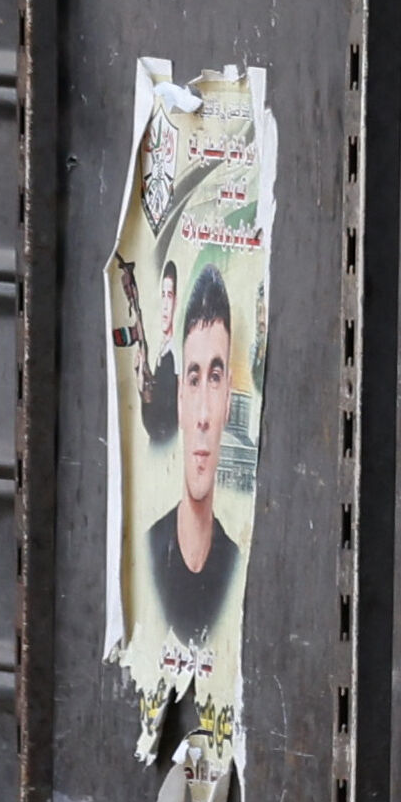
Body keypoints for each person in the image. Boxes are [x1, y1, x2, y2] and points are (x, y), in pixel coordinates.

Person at [145, 274, 248, 662]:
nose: (203, 414)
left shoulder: (237, 566)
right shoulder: (147, 554)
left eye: (215, 378)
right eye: (193, 378)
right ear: (179, 400)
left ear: (228, 400)